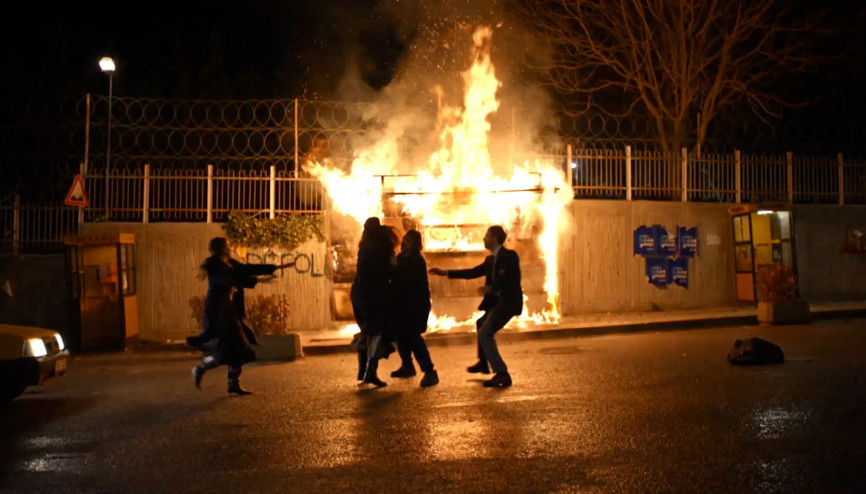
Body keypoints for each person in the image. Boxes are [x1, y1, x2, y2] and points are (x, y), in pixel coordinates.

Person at [187, 237, 293, 395]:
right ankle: (200, 369)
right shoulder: (215, 266)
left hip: (230, 311)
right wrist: (258, 281)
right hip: (219, 314)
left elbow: (247, 269)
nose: (231, 247)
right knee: (225, 352)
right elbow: (229, 279)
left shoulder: (230, 263)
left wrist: (274, 267)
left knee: (239, 349)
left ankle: (233, 383)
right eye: (228, 245)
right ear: (222, 248)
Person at [429, 225, 522, 388]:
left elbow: (513, 280)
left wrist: (493, 288)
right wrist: (445, 273)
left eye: (487, 235)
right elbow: (471, 272)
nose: (484, 238)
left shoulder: (510, 256)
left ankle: (502, 373)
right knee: (481, 325)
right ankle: (483, 362)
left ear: (495, 238)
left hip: (508, 303)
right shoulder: (490, 260)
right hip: (497, 303)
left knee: (485, 333)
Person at [389, 229, 439, 387]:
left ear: (416, 244)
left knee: (414, 338)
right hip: (401, 304)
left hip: (415, 305)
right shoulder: (402, 257)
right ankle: (407, 365)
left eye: (408, 241)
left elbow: (407, 280)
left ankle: (430, 371)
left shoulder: (417, 260)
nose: (404, 243)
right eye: (404, 240)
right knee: (401, 336)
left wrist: (395, 267)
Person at [352, 219, 398, 387]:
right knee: (378, 333)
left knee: (368, 332)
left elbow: (362, 273)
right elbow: (389, 271)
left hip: (361, 295)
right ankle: (370, 371)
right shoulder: (383, 249)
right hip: (376, 296)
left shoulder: (364, 249)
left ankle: (364, 371)